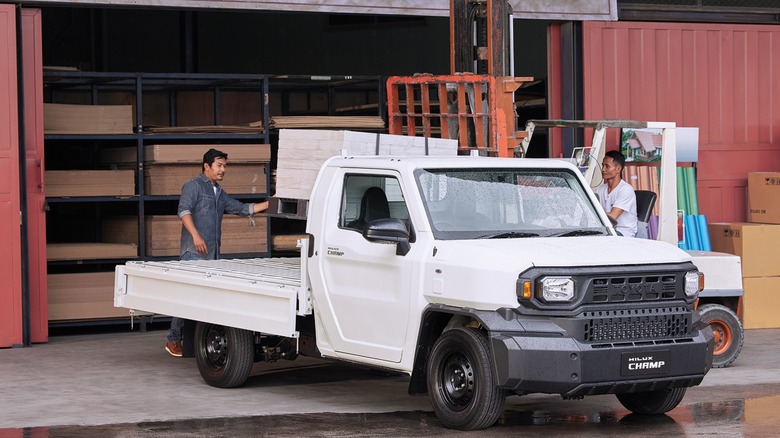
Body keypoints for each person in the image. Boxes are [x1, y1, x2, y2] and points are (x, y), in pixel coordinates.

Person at [165, 148, 269, 357]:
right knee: (186, 296)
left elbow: (242, 209)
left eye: (225, 166)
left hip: (212, 255)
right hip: (193, 252)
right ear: (207, 166)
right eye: (219, 165)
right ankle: (173, 339)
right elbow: (183, 211)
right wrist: (196, 236)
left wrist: (271, 203)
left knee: (203, 299)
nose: (223, 170)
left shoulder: (219, 193)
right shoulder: (193, 186)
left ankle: (196, 343)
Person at [595, 150, 637, 237]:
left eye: (607, 166)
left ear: (618, 169)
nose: (603, 169)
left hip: (623, 232)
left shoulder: (626, 189)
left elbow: (612, 217)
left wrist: (593, 215)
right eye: (602, 166)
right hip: (606, 230)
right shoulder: (600, 189)